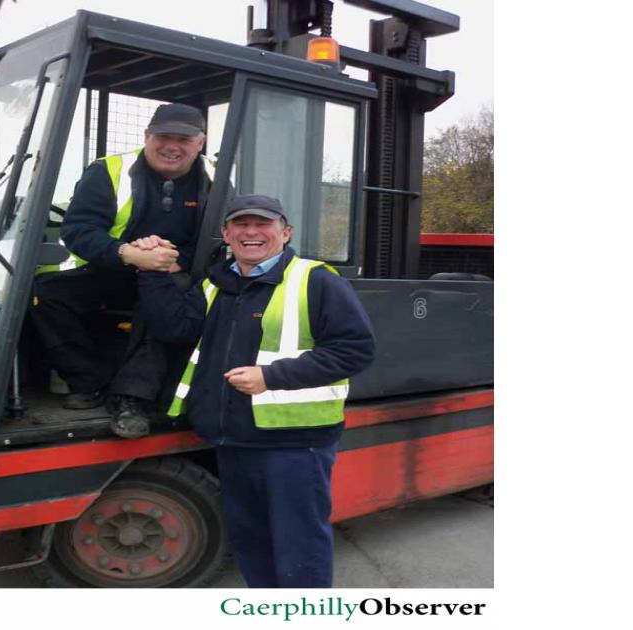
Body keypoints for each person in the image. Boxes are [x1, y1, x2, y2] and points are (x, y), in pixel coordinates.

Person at [136, 194, 375, 588]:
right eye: (241, 225)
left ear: (285, 232)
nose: (251, 233)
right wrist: (152, 271)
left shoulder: (315, 280)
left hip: (295, 445)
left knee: (299, 548)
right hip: (232, 440)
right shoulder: (216, 284)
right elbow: (173, 328)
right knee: (252, 543)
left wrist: (272, 376)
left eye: (262, 224)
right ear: (226, 234)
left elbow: (356, 350)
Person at [30, 103, 213, 439]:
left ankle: (132, 399)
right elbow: (79, 229)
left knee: (164, 303)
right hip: (113, 266)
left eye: (183, 139)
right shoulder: (107, 171)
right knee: (47, 294)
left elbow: (216, 239)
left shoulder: (216, 179)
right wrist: (127, 252)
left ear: (200, 143)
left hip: (172, 271)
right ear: (147, 137)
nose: (172, 146)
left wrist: (173, 259)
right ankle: (91, 382)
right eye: (163, 136)